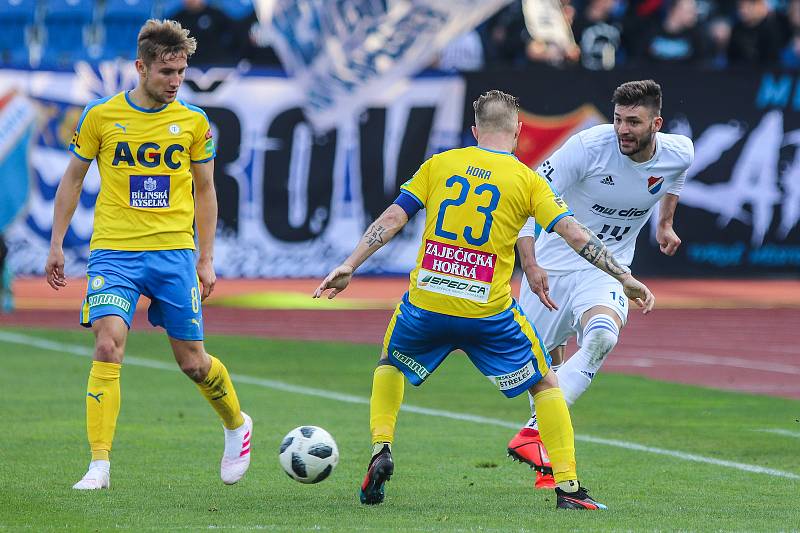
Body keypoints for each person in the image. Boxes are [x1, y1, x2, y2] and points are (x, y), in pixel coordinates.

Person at [314, 89, 655, 510]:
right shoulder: (527, 179)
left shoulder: (440, 165)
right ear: (518, 131)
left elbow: (393, 218)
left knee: (390, 363)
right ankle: (568, 489)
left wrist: (350, 265)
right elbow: (574, 233)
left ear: (475, 131)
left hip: (427, 303)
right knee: (547, 384)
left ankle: (380, 449)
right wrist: (624, 275)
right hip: (487, 312)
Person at [44, 19, 252, 490]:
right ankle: (99, 465)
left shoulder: (195, 123)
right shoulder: (100, 117)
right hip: (114, 253)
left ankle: (237, 425)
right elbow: (73, 179)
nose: (176, 81)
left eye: (181, 71)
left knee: (193, 363)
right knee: (107, 343)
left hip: (173, 254)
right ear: (141, 67)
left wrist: (206, 258)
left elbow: (205, 190)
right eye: (166, 72)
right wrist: (57, 243)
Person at [507, 79, 694, 489]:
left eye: (633, 121)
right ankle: (547, 458)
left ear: (656, 123)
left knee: (602, 337)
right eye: (617, 120)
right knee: (543, 370)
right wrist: (530, 262)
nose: (623, 129)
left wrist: (665, 223)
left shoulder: (680, 151)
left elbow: (676, 177)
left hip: (606, 268)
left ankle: (533, 433)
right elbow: (525, 199)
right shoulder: (587, 148)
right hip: (552, 267)